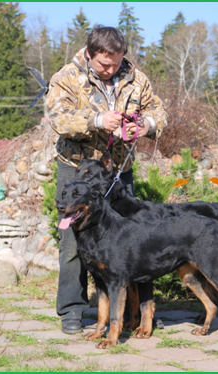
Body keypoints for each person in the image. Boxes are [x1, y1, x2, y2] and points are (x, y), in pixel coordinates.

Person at [46, 25, 167, 334]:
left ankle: (134, 314)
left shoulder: (136, 79)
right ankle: (73, 310)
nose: (111, 69)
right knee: (74, 242)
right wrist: (97, 120)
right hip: (77, 171)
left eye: (116, 62)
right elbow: (58, 119)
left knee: (132, 241)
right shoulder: (66, 78)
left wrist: (146, 125)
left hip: (118, 172)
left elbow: (158, 111)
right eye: (104, 64)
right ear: (90, 54)